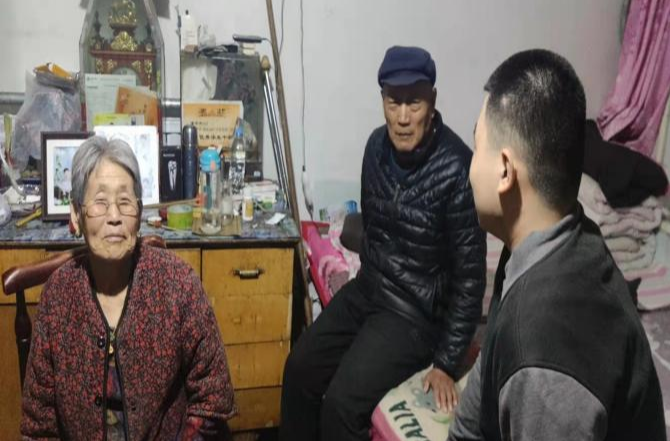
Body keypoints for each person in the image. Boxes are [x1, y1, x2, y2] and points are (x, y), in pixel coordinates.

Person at [449, 49, 666, 441]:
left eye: (477, 144)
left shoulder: (542, 362)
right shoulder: (554, 237)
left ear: (504, 170)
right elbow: (485, 380)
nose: (470, 166)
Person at [280, 46, 486, 441]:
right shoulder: (375, 148)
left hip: (414, 315)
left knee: (342, 404)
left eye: (414, 102)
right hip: (369, 288)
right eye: (394, 102)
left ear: (432, 101)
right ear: (383, 102)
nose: (403, 117)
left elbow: (470, 279)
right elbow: (372, 229)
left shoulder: (458, 169)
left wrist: (446, 362)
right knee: (299, 369)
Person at [21, 137, 236, 440]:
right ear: (76, 215)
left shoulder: (178, 285)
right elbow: (39, 423)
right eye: (100, 202)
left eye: (125, 202)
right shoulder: (57, 297)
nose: (114, 217)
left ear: (139, 213)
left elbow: (213, 399)